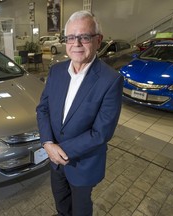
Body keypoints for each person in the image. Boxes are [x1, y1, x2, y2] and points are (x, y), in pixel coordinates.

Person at [36, 10, 123, 216]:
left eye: (84, 37)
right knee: (61, 204)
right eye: (71, 37)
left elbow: (101, 133)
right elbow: (43, 109)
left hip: (83, 164)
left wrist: (59, 151)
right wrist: (47, 143)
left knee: (81, 208)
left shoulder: (110, 80)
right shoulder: (56, 71)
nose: (76, 43)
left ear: (98, 40)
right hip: (54, 158)